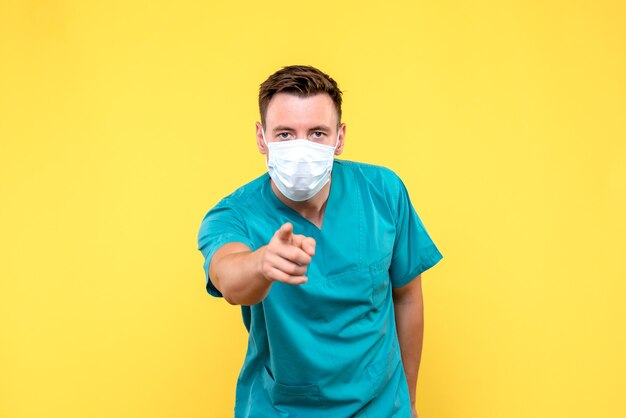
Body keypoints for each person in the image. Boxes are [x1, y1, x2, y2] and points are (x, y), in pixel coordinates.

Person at [197, 65, 443, 418]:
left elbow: (407, 297)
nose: (301, 148)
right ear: (261, 137)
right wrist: (261, 263)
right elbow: (228, 276)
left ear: (339, 138)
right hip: (284, 408)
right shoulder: (234, 215)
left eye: (316, 133)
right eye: (284, 134)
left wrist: (411, 401)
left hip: (383, 406)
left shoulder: (383, 192)